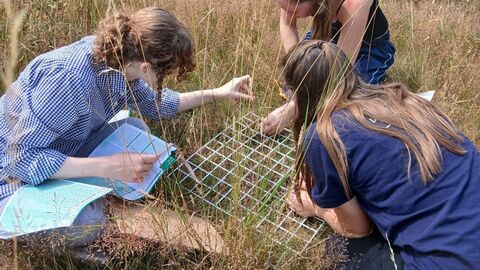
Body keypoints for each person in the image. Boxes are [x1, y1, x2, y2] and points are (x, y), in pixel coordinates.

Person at [0, 7, 253, 248]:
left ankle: (92, 191)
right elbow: (19, 158)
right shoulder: (68, 81)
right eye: (166, 75)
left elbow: (159, 106)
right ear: (145, 67)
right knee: (88, 223)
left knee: (135, 126)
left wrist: (218, 93)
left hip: (66, 144)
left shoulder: (122, 63)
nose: (167, 81)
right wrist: (110, 165)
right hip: (12, 174)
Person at [282, 40, 480, 269]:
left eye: (288, 91)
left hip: (449, 262)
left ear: (302, 94)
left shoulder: (324, 134)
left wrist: (315, 206)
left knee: (342, 249)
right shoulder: (402, 96)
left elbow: (357, 229)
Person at [263, 0, 395, 134]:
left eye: (294, 11)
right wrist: (297, 66)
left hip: (367, 49)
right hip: (327, 37)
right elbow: (287, 25)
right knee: (295, 84)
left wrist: (292, 109)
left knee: (349, 97)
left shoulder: (354, 4)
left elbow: (340, 72)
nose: (291, 15)